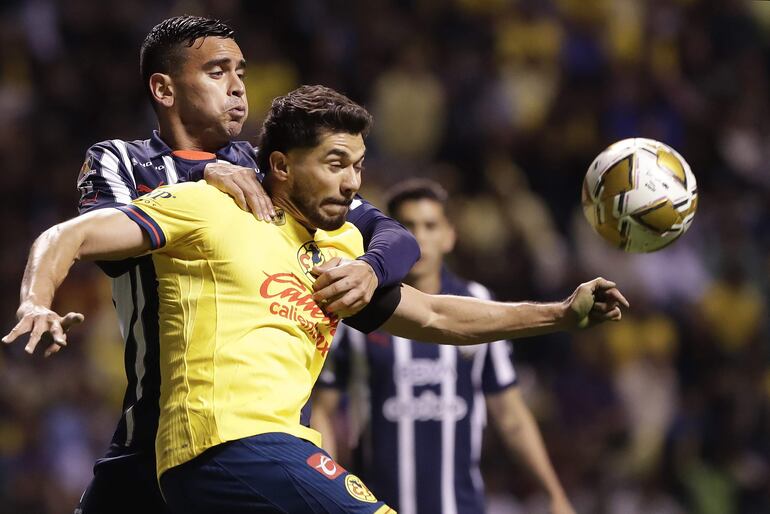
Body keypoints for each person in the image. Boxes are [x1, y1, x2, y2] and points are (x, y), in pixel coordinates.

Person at [4, 84, 627, 514]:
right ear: (279, 164)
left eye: (357, 165)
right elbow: (75, 233)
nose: (352, 180)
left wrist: (559, 313)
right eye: (335, 163)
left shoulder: (339, 251)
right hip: (225, 444)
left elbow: (434, 314)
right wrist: (36, 299)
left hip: (262, 458)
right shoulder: (211, 206)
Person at [68, 15, 419, 514]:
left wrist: (371, 268)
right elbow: (105, 243)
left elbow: (396, 236)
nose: (237, 87)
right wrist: (200, 172)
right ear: (164, 89)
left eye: (241, 71)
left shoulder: (271, 168)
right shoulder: (120, 161)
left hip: (250, 433)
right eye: (217, 72)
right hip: (150, 431)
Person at [312, 179, 577, 514]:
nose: (420, 236)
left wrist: (554, 494)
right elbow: (324, 409)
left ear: (449, 235)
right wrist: (328, 494)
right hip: (376, 505)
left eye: (430, 225)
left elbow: (511, 416)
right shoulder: (357, 307)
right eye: (407, 226)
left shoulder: (479, 304)